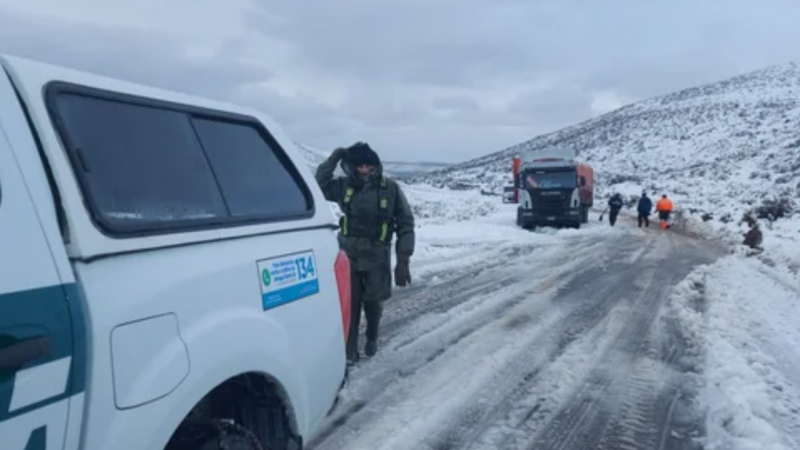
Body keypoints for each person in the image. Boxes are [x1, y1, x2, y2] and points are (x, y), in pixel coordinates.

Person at [315, 142, 415, 364]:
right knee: (349, 303)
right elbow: (318, 185)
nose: (364, 170)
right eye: (359, 166)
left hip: (377, 255)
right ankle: (349, 351)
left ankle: (372, 337)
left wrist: (403, 260)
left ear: (375, 165)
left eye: (368, 166)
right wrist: (334, 157)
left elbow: (405, 223)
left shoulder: (390, 189)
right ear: (351, 167)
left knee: (373, 301)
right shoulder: (342, 186)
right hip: (348, 254)